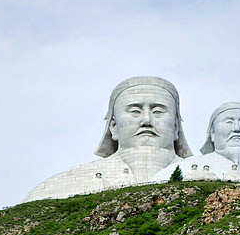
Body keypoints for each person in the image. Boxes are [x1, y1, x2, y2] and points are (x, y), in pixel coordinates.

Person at [24, 77, 192, 201]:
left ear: (176, 127)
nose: (146, 121)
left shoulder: (203, 173)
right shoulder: (51, 191)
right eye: (135, 111)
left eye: (158, 112)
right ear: (114, 127)